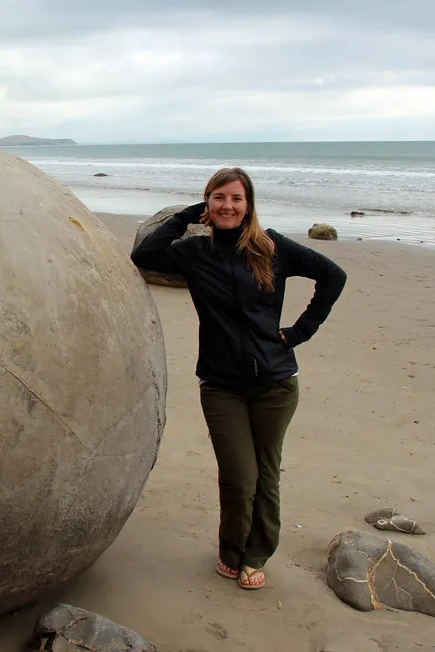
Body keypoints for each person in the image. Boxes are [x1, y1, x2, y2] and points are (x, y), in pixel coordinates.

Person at [131, 167, 346, 591]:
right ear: (208, 203)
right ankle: (231, 551)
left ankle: (255, 555)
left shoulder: (271, 248)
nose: (228, 206)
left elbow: (333, 276)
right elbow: (145, 255)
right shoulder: (194, 252)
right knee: (237, 477)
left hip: (275, 383)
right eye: (219, 198)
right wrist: (190, 213)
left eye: (237, 199)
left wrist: (300, 332)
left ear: (249, 205)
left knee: (266, 476)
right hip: (221, 384)